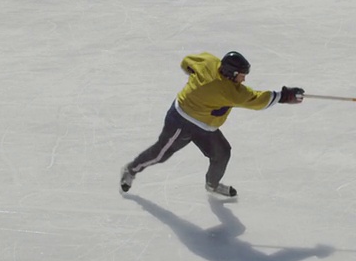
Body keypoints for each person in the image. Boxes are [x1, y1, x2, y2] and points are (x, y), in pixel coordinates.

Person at [120, 51, 304, 197]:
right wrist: (284, 96)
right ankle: (131, 169)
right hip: (181, 121)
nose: (244, 79)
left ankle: (212, 185)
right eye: (241, 76)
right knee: (162, 153)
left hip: (205, 127)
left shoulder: (208, 61)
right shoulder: (231, 92)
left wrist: (195, 78)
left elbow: (187, 61)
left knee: (222, 153)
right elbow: (256, 100)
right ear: (231, 74)